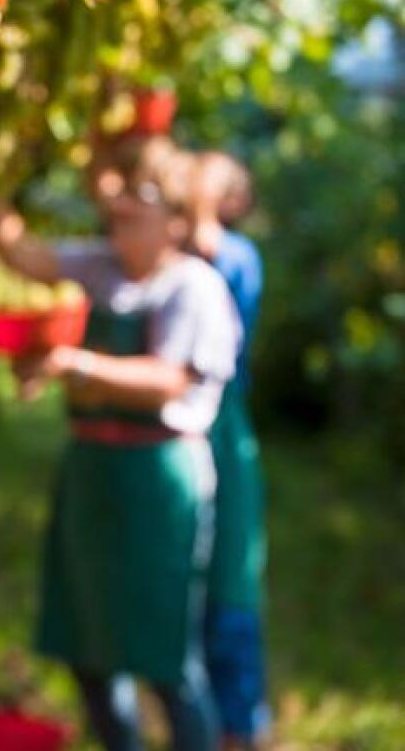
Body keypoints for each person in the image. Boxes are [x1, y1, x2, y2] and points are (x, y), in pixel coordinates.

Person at [0, 136, 239, 751]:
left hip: (159, 479)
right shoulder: (100, 264)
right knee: (87, 643)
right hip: (92, 472)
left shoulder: (193, 288)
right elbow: (28, 258)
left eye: (141, 197)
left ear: (176, 221)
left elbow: (166, 381)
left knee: (164, 654)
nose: (121, 206)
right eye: (121, 193)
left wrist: (78, 366)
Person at [188, 151, 271, 749]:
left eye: (212, 179)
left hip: (221, 430)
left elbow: (207, 244)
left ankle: (238, 728)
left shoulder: (238, 255)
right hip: (173, 432)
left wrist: (192, 193)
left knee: (230, 585)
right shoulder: (169, 247)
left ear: (234, 203)